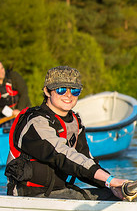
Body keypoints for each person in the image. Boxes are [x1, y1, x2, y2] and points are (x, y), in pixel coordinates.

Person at [5, 66, 129, 199]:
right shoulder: (35, 123)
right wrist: (110, 180)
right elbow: (62, 155)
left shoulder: (75, 121)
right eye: (61, 89)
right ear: (47, 91)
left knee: (123, 197)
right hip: (29, 196)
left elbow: (85, 161)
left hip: (59, 192)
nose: (68, 95)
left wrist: (111, 185)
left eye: (74, 90)